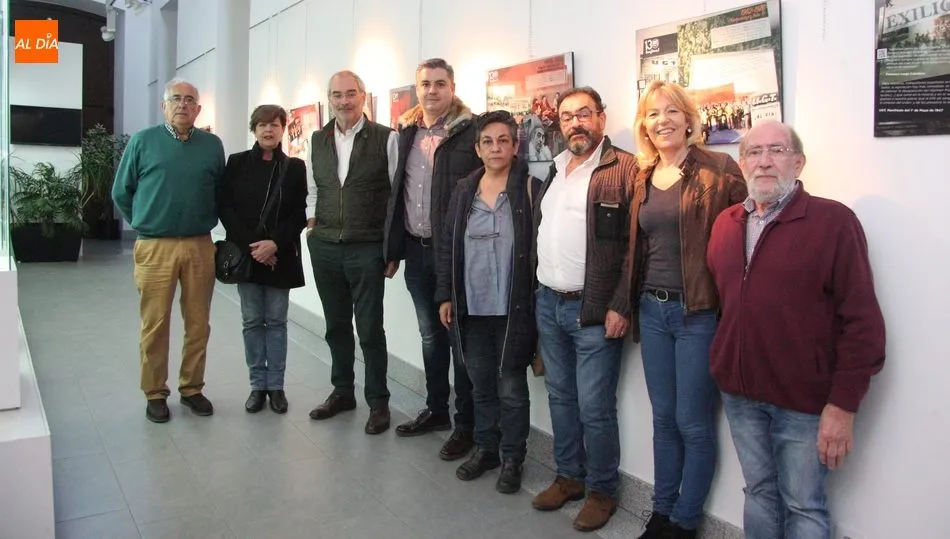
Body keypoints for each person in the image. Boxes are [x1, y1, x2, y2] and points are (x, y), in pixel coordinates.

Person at [706, 121, 886, 539]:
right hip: (740, 394)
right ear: (741, 163)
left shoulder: (833, 221)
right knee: (759, 493)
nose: (764, 161)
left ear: (799, 162)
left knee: (803, 505)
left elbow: (863, 323)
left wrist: (843, 405)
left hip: (804, 402)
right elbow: (727, 304)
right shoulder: (726, 223)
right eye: (754, 152)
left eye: (777, 150)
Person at [627, 81, 747, 539]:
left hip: (698, 312)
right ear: (644, 125)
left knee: (692, 422)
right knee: (663, 419)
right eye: (653, 114)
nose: (663, 121)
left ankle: (685, 520)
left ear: (689, 119)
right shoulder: (642, 176)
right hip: (651, 311)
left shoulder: (719, 170)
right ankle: (661, 512)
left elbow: (748, 236)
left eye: (672, 111)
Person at [530, 87, 636, 532]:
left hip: (592, 311)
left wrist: (620, 304)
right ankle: (569, 477)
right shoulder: (554, 169)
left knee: (594, 406)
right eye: (567, 116)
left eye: (584, 114)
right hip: (548, 302)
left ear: (601, 118)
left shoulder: (624, 169)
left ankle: (602, 490)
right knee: (560, 397)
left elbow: (635, 247)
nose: (576, 123)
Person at [435, 111, 540, 494]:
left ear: (515, 145)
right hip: (471, 306)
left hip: (513, 308)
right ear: (478, 149)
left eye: (503, 141)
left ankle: (513, 457)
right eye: (487, 142)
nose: (495, 148)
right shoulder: (464, 190)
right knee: (480, 385)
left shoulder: (529, 188)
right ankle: (486, 449)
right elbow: (447, 245)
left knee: (511, 386)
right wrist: (445, 294)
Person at [383, 58, 482, 460]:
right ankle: (437, 409)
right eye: (425, 84)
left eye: (440, 84)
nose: (432, 91)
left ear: (452, 87)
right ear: (417, 88)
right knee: (430, 337)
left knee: (459, 340)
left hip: (454, 254)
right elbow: (396, 194)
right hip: (415, 249)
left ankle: (466, 424)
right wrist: (392, 250)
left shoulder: (470, 132)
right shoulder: (405, 133)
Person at [112, 78, 224, 423]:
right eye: (176, 99)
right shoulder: (144, 141)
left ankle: (191, 387)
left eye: (190, 100)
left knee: (198, 323)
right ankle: (155, 392)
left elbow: (220, 192)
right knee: (155, 323)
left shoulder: (211, 146)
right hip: (154, 245)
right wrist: (146, 221)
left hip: (199, 245)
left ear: (198, 109)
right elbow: (121, 192)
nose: (182, 105)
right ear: (164, 106)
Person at [306, 71, 399, 435]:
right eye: (336, 95)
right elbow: (313, 188)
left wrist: (391, 247)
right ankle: (342, 392)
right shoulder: (318, 139)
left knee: (370, 329)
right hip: (326, 246)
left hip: (367, 246)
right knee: (336, 325)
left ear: (363, 95)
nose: (343, 101)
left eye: (350, 94)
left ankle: (378, 401)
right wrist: (312, 223)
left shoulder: (386, 138)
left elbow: (395, 196)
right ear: (329, 99)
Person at [217, 105, 307, 415]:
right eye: (262, 125)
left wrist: (274, 244)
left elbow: (300, 213)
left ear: (283, 129)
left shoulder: (295, 167)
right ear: (254, 129)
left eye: (274, 125)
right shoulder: (237, 163)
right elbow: (225, 207)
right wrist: (254, 248)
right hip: (247, 257)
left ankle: (276, 387)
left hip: (281, 257)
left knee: (277, 323)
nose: (268, 130)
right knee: (253, 321)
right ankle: (258, 386)